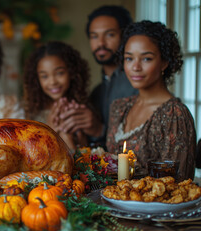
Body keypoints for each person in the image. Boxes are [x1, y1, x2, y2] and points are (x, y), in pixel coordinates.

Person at [106, 20, 196, 180]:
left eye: (146, 59)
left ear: (164, 62)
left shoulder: (175, 115)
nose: (135, 67)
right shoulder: (119, 107)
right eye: (129, 58)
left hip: (154, 204)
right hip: (107, 202)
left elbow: (177, 186)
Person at [57, 5, 138, 149]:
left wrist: (99, 130)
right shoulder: (96, 93)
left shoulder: (137, 86)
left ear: (125, 37)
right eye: (94, 36)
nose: (100, 43)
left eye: (110, 35)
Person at [23, 41, 90, 151]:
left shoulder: (80, 108)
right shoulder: (32, 112)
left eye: (60, 73)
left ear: (72, 72)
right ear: (36, 80)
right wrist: (50, 130)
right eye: (44, 76)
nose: (53, 82)